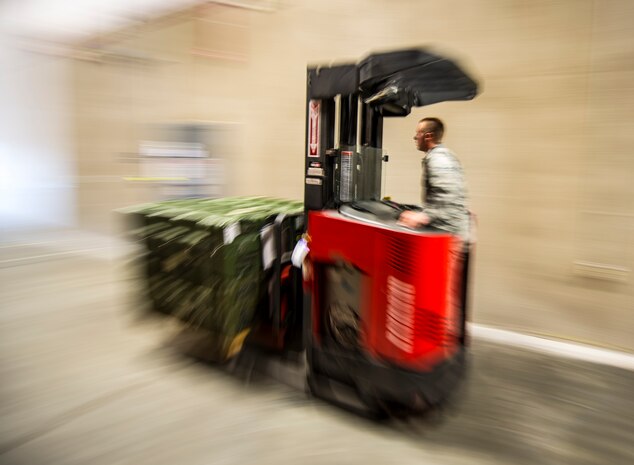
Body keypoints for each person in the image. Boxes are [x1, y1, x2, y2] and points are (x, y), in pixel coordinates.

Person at [397, 117, 470, 244]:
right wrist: (420, 210)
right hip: (451, 233)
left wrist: (424, 216)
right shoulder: (445, 155)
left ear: (428, 136)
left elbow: (448, 195)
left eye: (418, 134)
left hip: (448, 236)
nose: (415, 138)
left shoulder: (438, 159)